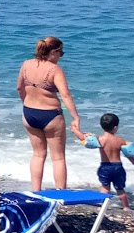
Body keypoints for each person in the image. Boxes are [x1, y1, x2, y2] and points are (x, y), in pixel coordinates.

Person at [16, 35, 83, 189]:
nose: (61, 56)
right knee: (58, 158)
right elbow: (65, 94)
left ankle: (36, 191)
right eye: (61, 53)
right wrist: (75, 116)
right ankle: (60, 195)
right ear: (53, 52)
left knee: (38, 155)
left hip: (29, 113)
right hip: (50, 115)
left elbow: (19, 88)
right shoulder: (55, 69)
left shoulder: (26, 64)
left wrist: (26, 103)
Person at [94, 112, 134, 209]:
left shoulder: (100, 139)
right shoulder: (120, 140)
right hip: (118, 167)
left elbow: (86, 140)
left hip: (105, 167)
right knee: (120, 189)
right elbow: (129, 155)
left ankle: (102, 206)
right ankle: (126, 207)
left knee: (105, 187)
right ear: (115, 128)